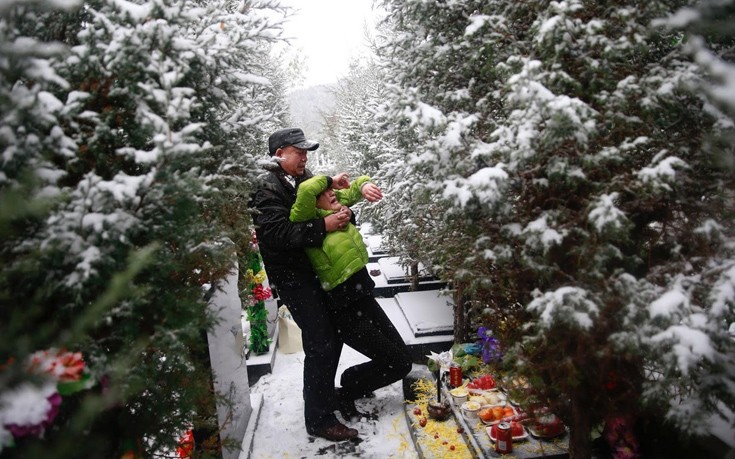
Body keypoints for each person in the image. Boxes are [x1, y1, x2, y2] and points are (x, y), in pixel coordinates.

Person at [251, 127, 357, 441]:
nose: (305, 157)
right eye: (299, 151)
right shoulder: (265, 187)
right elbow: (278, 235)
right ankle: (319, 419)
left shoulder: (302, 177)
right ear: (279, 153)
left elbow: (321, 200)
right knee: (321, 341)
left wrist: (340, 210)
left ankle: (323, 401)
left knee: (328, 340)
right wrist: (322, 225)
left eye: (306, 151)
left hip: (312, 272)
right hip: (293, 279)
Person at [289, 173, 413, 422]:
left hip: (363, 295)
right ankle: (348, 391)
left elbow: (355, 187)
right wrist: (327, 180)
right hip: (343, 308)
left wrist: (365, 185)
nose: (331, 194)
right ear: (313, 202)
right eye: (324, 193)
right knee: (397, 363)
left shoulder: (334, 207)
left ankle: (352, 379)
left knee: (402, 359)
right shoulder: (307, 219)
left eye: (330, 191)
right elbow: (305, 191)